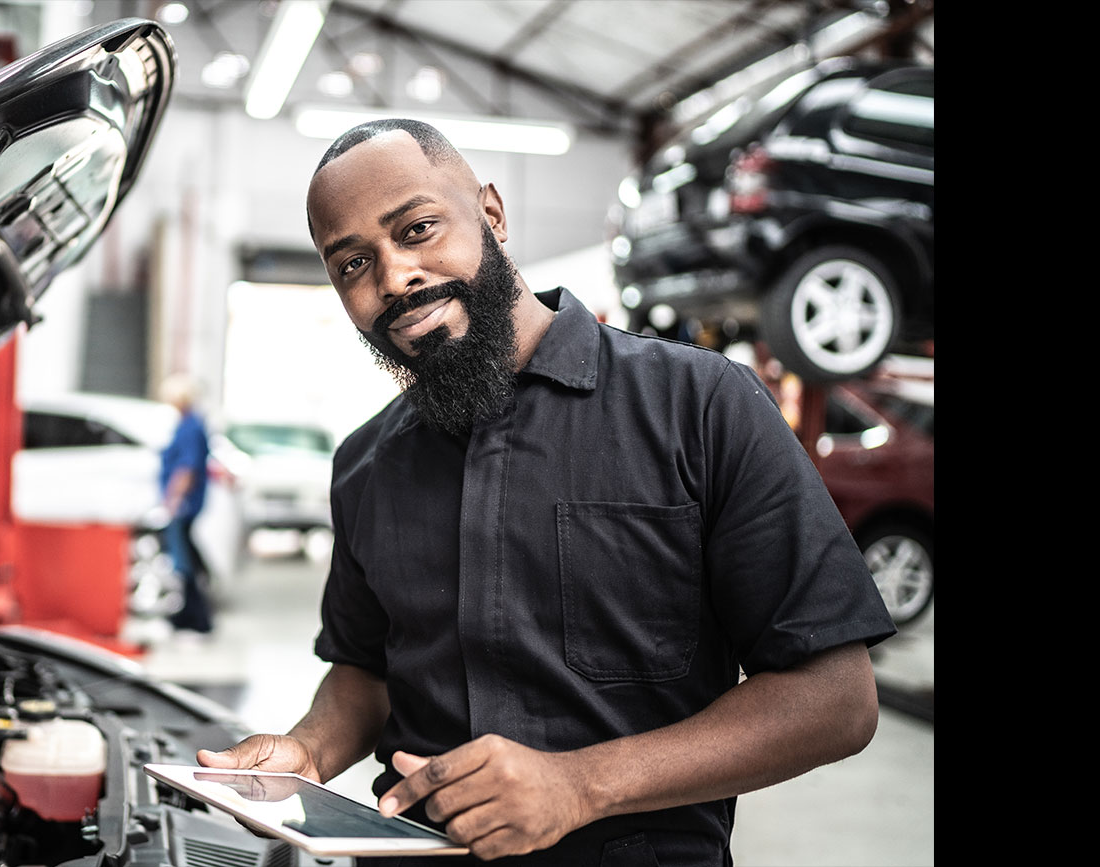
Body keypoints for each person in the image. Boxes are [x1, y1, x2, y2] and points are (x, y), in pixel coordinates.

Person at [195, 119, 896, 866]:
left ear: (492, 214)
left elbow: (835, 699)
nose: (394, 276)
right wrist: (307, 749)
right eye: (353, 264)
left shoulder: (700, 405)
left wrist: (581, 784)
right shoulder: (366, 464)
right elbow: (367, 671)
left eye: (419, 228)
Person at [157, 375, 214, 639]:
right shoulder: (189, 424)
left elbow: (187, 468)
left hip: (184, 503)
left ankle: (195, 616)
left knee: (183, 559)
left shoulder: (190, 427)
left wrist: (173, 498)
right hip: (187, 502)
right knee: (187, 554)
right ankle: (192, 614)